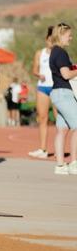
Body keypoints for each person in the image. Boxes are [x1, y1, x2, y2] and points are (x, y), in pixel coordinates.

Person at [48, 23, 77, 175]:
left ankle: (60, 165)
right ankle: (74, 163)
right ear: (60, 35)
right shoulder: (60, 52)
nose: (70, 38)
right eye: (68, 35)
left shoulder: (55, 51)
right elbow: (66, 75)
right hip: (63, 93)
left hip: (58, 93)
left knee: (62, 130)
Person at [29, 26, 57, 159]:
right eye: (49, 40)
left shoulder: (59, 53)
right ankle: (43, 149)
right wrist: (38, 75)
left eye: (53, 40)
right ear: (46, 39)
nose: (51, 42)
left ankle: (59, 149)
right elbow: (34, 69)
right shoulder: (40, 53)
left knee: (59, 119)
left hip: (56, 87)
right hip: (43, 87)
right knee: (42, 118)